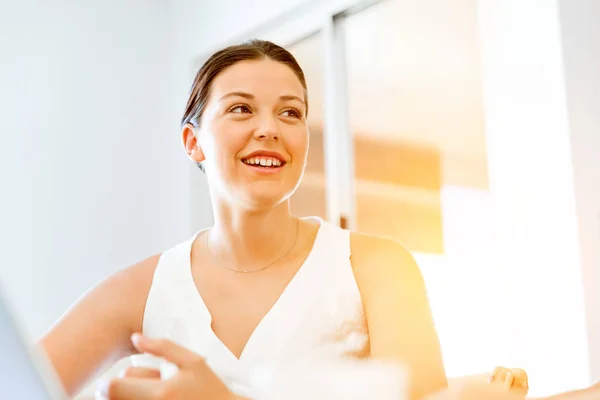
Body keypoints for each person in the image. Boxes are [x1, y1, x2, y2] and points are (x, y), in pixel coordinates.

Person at [38, 39, 593, 400]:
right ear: (193, 142)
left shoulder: (376, 266)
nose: (269, 128)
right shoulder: (139, 291)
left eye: (291, 112)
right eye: (240, 108)